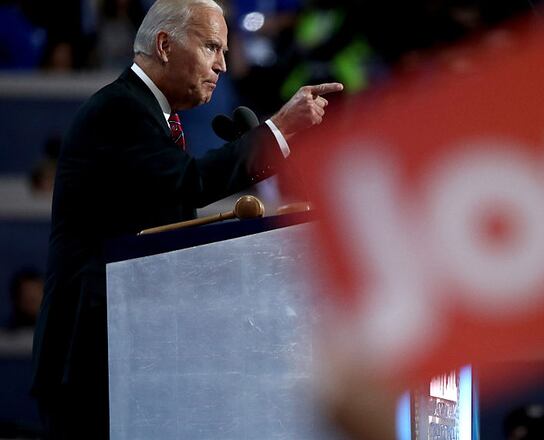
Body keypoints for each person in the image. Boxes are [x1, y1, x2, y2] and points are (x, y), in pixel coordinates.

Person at [30, 0, 343, 437]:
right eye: (212, 47)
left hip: (129, 354)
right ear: (164, 44)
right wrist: (276, 131)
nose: (221, 66)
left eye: (226, 53)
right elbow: (189, 183)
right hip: (91, 357)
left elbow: (170, 222)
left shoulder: (154, 117)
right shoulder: (120, 111)